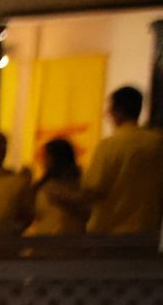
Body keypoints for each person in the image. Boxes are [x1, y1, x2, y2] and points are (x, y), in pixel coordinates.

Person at [82, 85, 163, 236]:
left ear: (117, 112)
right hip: (149, 232)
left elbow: (92, 189)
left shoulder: (109, 145)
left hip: (110, 233)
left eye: (109, 110)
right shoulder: (158, 142)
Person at [24, 138, 88, 237]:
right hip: (48, 242)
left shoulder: (52, 188)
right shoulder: (48, 187)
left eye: (45, 156)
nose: (42, 161)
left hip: (62, 243)